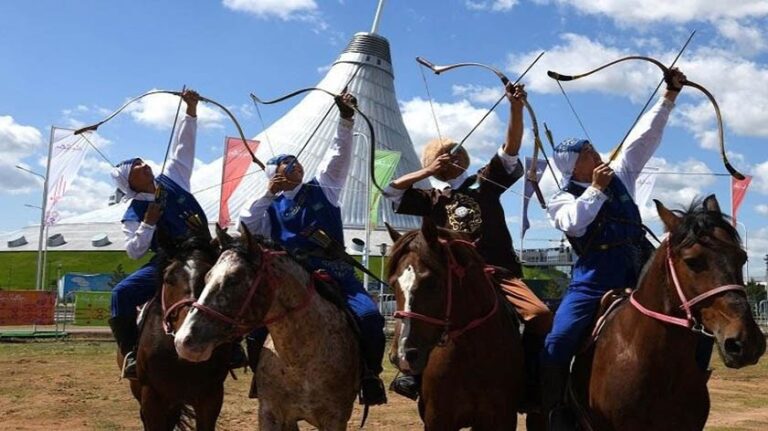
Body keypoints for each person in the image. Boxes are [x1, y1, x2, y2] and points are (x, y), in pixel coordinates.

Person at [383, 84, 553, 405]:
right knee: (420, 311)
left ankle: (531, 379)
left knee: (540, 314)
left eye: (456, 151)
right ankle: (411, 374)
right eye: (442, 155)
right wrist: (426, 172)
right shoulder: (430, 197)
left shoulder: (483, 182)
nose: (452, 156)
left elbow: (511, 148)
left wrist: (515, 108)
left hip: (498, 271)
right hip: (452, 276)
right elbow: (389, 192)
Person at [541, 68, 689, 430]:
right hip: (593, 281)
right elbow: (574, 223)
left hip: (638, 274)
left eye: (591, 148)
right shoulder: (562, 198)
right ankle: (555, 407)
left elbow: (644, 138)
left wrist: (669, 97)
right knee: (558, 340)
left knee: (692, 321)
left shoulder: (619, 173)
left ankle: (690, 387)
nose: (595, 152)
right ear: (573, 166)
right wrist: (595, 189)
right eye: (586, 152)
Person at [238, 91, 388, 406]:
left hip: (335, 273)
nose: (295, 165)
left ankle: (369, 376)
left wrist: (345, 120)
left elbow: (338, 155)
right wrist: (267, 195)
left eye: (295, 162)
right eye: (286, 164)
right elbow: (246, 226)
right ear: (274, 174)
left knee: (371, 317)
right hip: (289, 278)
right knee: (252, 328)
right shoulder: (269, 207)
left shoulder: (324, 189)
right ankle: (261, 378)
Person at [108, 90, 245, 379]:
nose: (145, 166)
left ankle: (234, 345)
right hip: (168, 260)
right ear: (130, 182)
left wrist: (191, 110)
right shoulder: (133, 211)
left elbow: (183, 147)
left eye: (142, 163)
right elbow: (133, 251)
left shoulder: (173, 178)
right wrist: (148, 224)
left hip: (206, 251)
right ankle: (131, 351)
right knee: (121, 293)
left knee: (242, 280)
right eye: (137, 168)